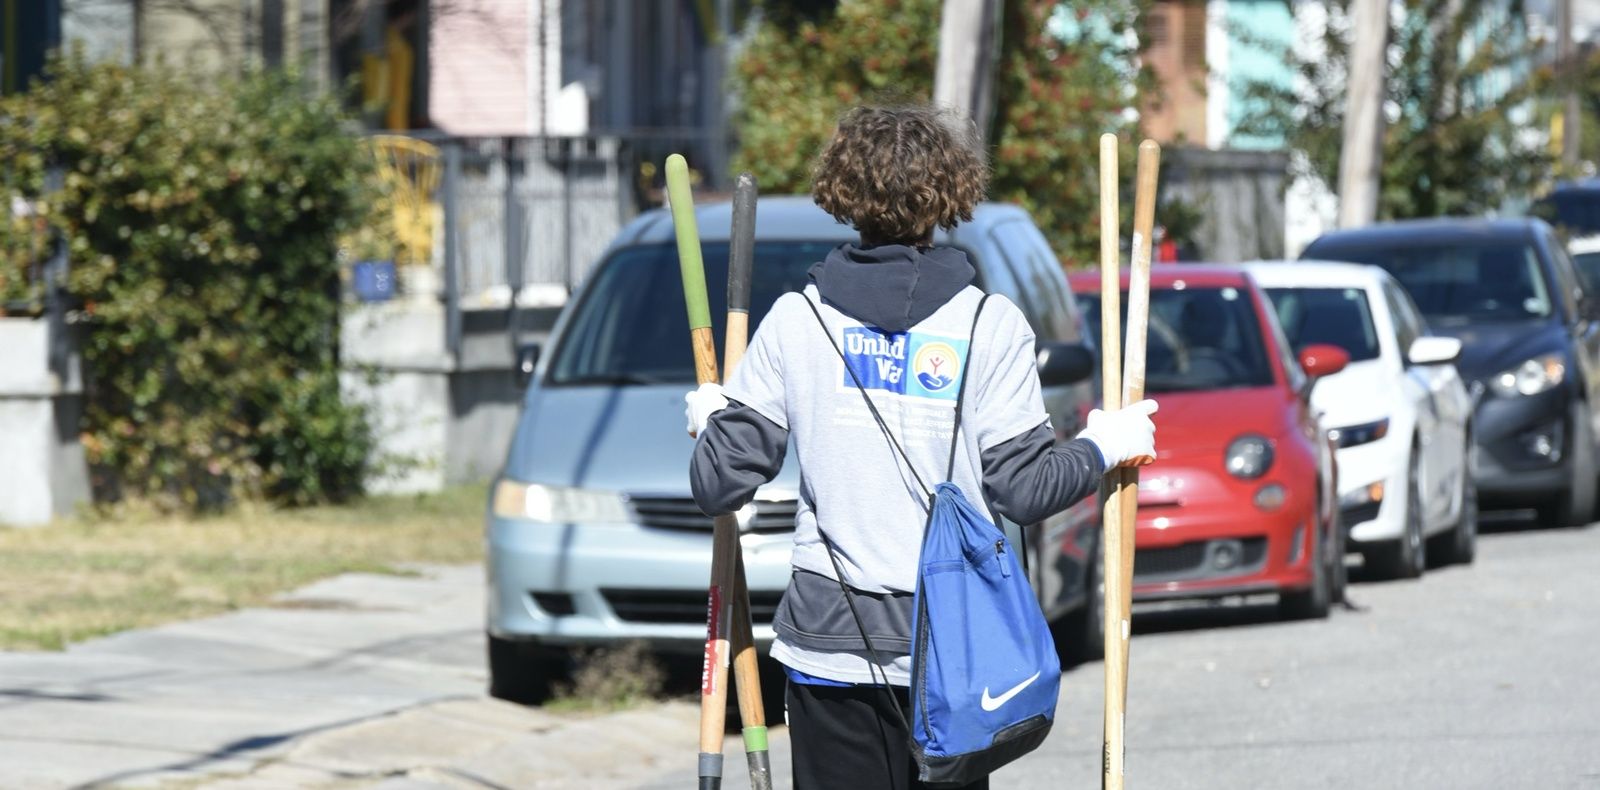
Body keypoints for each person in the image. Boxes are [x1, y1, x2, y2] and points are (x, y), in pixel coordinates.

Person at [685, 105, 1158, 790]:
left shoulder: (797, 321)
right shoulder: (990, 326)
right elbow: (1023, 492)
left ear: (842, 194)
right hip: (955, 652)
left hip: (830, 649)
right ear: (951, 194)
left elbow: (716, 485)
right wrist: (1100, 447)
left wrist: (714, 419)